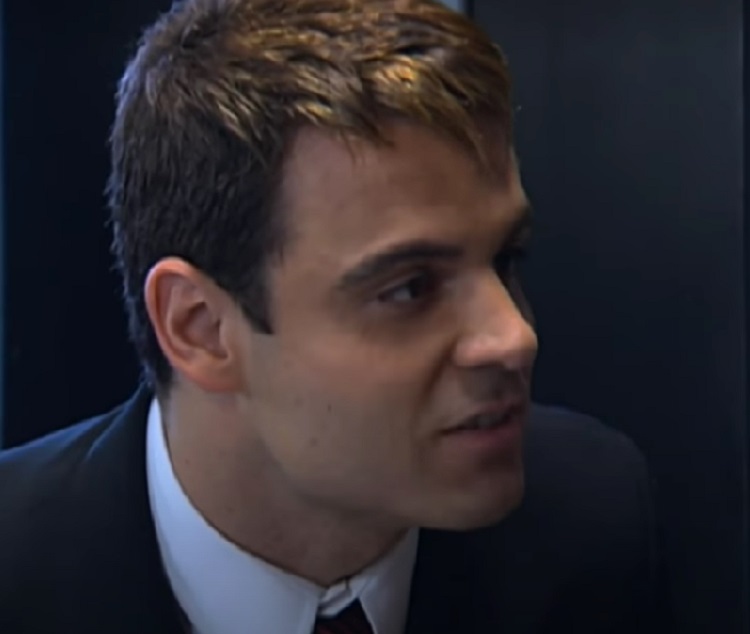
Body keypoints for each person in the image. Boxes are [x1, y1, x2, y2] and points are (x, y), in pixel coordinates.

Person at [0, 0, 673, 632]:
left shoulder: (589, 522)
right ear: (199, 328)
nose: (513, 336)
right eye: (410, 288)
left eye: (506, 259)